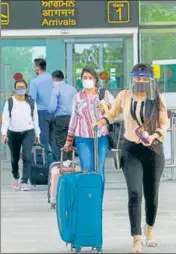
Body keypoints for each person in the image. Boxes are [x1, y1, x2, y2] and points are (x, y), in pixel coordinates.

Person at [94, 64, 168, 253]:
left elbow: (163, 123)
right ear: (132, 78)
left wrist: (154, 135)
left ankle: (149, 229)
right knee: (135, 193)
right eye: (138, 78)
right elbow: (112, 113)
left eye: (145, 79)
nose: (141, 82)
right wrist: (102, 121)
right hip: (131, 149)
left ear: (150, 81)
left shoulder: (157, 98)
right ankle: (136, 237)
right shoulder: (125, 96)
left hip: (153, 149)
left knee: (152, 195)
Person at [64, 66, 114, 197]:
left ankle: (98, 199)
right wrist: (69, 141)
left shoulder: (104, 94)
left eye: (90, 78)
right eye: (84, 78)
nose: (87, 80)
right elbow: (73, 119)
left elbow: (115, 113)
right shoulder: (77, 97)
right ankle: (88, 198)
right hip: (83, 138)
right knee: (87, 169)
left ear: (95, 79)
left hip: (101, 137)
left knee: (99, 170)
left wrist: (106, 109)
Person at [1, 79, 40, 191]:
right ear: (15, 89)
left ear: (26, 88)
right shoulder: (10, 102)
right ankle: (15, 176)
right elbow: (5, 119)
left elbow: (35, 119)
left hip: (28, 132)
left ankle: (24, 180)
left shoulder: (31, 102)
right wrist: (4, 134)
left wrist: (37, 134)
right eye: (18, 87)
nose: (20, 89)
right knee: (15, 158)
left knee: (27, 156)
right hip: (13, 133)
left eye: (22, 87)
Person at [29, 58, 58, 160]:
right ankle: (57, 162)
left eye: (34, 66)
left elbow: (32, 100)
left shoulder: (35, 82)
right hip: (54, 112)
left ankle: (44, 165)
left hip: (41, 113)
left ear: (37, 68)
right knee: (54, 140)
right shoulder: (53, 79)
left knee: (42, 139)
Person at [49, 70, 77, 161]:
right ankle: (71, 163)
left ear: (53, 78)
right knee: (70, 142)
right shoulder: (72, 89)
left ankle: (64, 164)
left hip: (60, 119)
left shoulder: (56, 89)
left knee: (61, 143)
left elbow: (52, 108)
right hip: (72, 118)